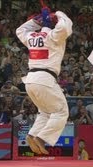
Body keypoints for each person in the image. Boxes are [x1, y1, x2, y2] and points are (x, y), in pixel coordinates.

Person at [16, 7, 73, 155]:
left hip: (30, 81)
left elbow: (20, 30)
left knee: (46, 112)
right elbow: (66, 26)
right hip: (45, 79)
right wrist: (58, 13)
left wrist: (37, 20)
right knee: (61, 111)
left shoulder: (31, 37)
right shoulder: (53, 36)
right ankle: (42, 138)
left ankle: (32, 134)